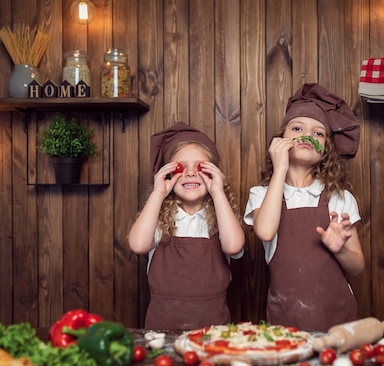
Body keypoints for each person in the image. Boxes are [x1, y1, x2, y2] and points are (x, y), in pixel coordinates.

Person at [244, 83, 364, 332]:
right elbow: (265, 232)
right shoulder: (262, 195)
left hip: (338, 318)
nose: (307, 136)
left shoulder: (340, 198)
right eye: (297, 128)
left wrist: (339, 249)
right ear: (280, 141)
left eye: (319, 133)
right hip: (286, 319)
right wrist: (280, 169)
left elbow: (357, 266)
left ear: (326, 151)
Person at [128, 122, 245, 330]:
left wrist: (218, 192)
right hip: (161, 332)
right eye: (181, 167)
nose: (190, 173)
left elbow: (234, 246)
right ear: (168, 174)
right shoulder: (159, 220)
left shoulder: (221, 218)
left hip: (214, 334)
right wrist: (158, 193)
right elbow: (137, 245)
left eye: (200, 167)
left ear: (213, 173)